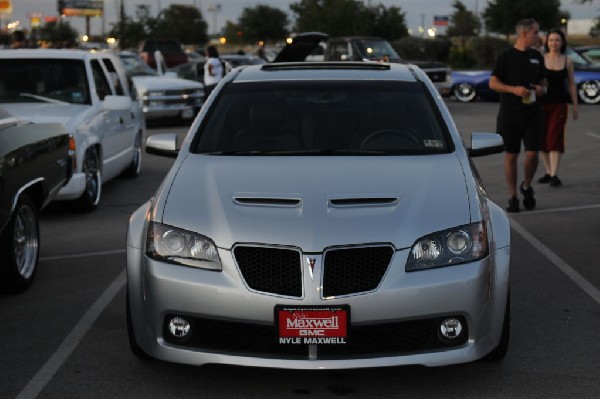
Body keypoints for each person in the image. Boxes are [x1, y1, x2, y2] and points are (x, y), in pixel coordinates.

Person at [489, 18, 548, 213]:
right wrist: (513, 89)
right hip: (510, 115)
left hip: (533, 114)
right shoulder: (506, 56)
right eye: (535, 32)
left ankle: (527, 185)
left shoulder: (537, 57)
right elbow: (493, 83)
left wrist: (541, 90)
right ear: (524, 33)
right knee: (511, 156)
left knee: (532, 154)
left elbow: (545, 84)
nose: (538, 36)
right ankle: (513, 196)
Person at [538, 28, 579, 187]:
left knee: (555, 138)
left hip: (559, 105)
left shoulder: (567, 60)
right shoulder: (541, 58)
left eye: (557, 40)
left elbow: (571, 84)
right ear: (546, 42)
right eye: (551, 40)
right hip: (542, 105)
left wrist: (575, 105)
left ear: (562, 42)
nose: (554, 43)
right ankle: (548, 172)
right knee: (542, 139)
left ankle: (555, 174)